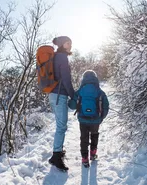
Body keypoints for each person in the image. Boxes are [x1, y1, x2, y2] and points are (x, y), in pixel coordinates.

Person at [68, 70, 109, 168]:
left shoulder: (80, 91)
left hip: (83, 119)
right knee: (94, 135)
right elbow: (106, 106)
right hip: (95, 120)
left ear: (83, 79)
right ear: (95, 79)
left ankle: (84, 158)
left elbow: (72, 106)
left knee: (84, 138)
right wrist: (101, 118)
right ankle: (93, 154)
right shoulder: (100, 92)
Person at [48, 36, 75, 171]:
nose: (69, 45)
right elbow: (66, 79)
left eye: (70, 42)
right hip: (59, 95)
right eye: (67, 42)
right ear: (61, 44)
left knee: (61, 125)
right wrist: (73, 95)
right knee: (61, 126)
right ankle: (56, 157)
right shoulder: (62, 57)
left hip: (55, 94)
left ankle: (58, 151)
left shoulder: (57, 56)